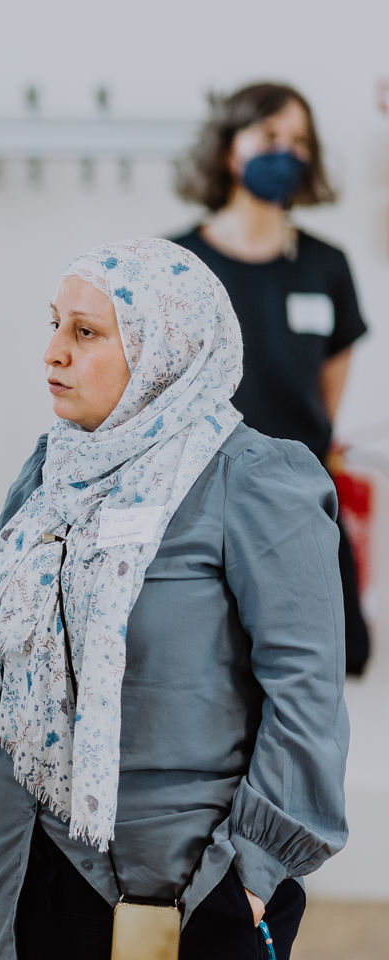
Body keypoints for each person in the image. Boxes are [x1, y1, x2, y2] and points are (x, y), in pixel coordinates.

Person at [0, 239, 348, 959]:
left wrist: (248, 879)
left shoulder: (253, 478)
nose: (52, 353)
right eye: (54, 324)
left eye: (85, 332)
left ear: (165, 348)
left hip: (183, 893)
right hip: (30, 868)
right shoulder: (51, 473)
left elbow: (307, 697)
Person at [169, 82, 371, 675]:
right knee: (208, 670)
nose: (287, 152)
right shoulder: (180, 265)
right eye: (271, 136)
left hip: (302, 502)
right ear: (231, 149)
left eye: (299, 141)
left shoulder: (326, 266)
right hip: (203, 502)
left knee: (309, 674)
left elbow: (327, 392)